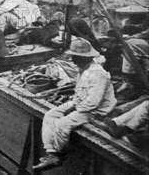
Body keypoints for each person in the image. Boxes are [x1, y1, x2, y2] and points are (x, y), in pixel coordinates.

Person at [33, 38, 116, 171]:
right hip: (81, 103)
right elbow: (81, 93)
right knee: (50, 115)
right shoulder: (83, 69)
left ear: (84, 57)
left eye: (75, 56)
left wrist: (73, 108)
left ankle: (59, 154)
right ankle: (51, 152)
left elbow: (93, 102)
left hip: (96, 110)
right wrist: (72, 103)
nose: (72, 59)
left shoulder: (97, 73)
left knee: (62, 124)